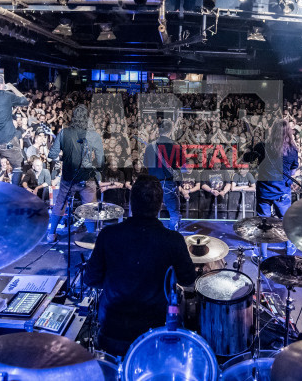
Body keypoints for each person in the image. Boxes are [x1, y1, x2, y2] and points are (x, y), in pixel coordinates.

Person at [84, 175, 197, 356]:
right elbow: (189, 280)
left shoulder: (108, 235)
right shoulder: (173, 240)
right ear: (160, 205)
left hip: (112, 330)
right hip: (154, 334)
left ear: (130, 202)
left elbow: (91, 279)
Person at [47, 104, 104, 242]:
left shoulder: (64, 133)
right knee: (90, 208)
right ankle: (91, 238)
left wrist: (65, 157)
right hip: (86, 178)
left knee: (60, 203)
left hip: (68, 178)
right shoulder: (94, 136)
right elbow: (101, 162)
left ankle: (51, 235)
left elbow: (52, 154)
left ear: (73, 118)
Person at [254, 119, 299, 258]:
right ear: (288, 132)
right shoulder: (292, 150)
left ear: (273, 131)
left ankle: (263, 254)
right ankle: (289, 248)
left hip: (264, 190)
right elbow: (294, 168)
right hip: (282, 190)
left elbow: (253, 162)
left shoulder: (262, 146)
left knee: (264, 222)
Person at [144, 119, 181, 230]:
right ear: (170, 131)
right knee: (173, 212)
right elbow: (181, 164)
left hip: (153, 182)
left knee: (152, 210)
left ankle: (151, 236)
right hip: (168, 182)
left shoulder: (150, 146)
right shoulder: (175, 146)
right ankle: (172, 238)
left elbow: (146, 164)